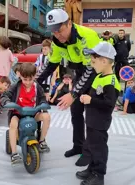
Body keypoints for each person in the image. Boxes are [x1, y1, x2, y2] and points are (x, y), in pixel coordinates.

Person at [37, 8, 101, 166]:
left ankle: (89, 152)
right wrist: (34, 81)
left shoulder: (88, 36)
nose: (57, 35)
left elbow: (91, 69)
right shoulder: (57, 41)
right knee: (76, 113)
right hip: (80, 73)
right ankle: (78, 146)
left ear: (70, 23)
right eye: (53, 32)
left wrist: (73, 93)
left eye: (60, 30)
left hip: (98, 77)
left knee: (93, 119)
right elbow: (51, 65)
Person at [76, 42, 121, 185]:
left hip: (100, 122)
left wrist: (91, 101)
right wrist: (86, 97)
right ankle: (92, 168)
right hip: (91, 120)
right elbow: (95, 97)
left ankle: (98, 175)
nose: (91, 63)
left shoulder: (111, 81)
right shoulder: (99, 76)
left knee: (99, 148)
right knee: (91, 145)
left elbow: (109, 104)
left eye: (93, 61)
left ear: (104, 61)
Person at [1, 63, 51, 164]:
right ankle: (14, 153)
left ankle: (41, 141)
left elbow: (42, 98)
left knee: (46, 116)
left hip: (33, 113)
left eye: (30, 79)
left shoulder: (37, 87)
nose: (28, 82)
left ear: (34, 76)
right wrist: (7, 102)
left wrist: (43, 104)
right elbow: (5, 96)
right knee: (13, 124)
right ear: (20, 76)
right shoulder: (16, 86)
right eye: (25, 79)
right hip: (18, 113)